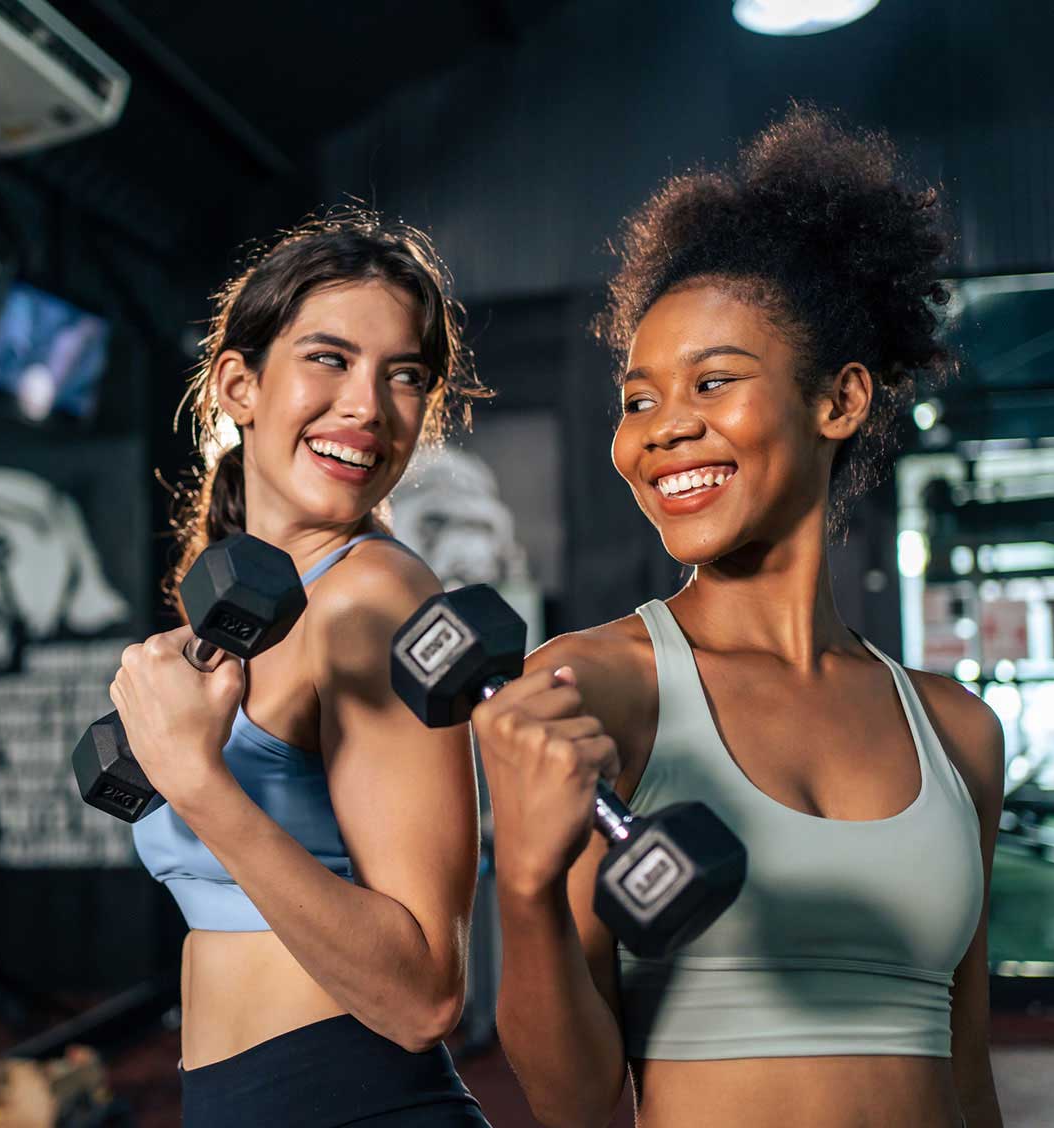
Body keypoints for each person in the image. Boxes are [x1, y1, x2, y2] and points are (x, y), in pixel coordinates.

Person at [477, 107, 1006, 1128]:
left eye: (712, 381)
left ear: (839, 400)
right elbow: (575, 1104)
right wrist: (528, 890)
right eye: (636, 400)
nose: (663, 428)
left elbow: (968, 1066)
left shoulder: (957, 732)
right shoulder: (596, 689)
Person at [105, 209, 493, 1125]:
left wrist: (197, 781)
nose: (366, 406)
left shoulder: (373, 600)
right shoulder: (249, 600)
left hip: (356, 1101)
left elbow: (426, 996)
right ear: (240, 382)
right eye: (329, 358)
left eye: (404, 376)